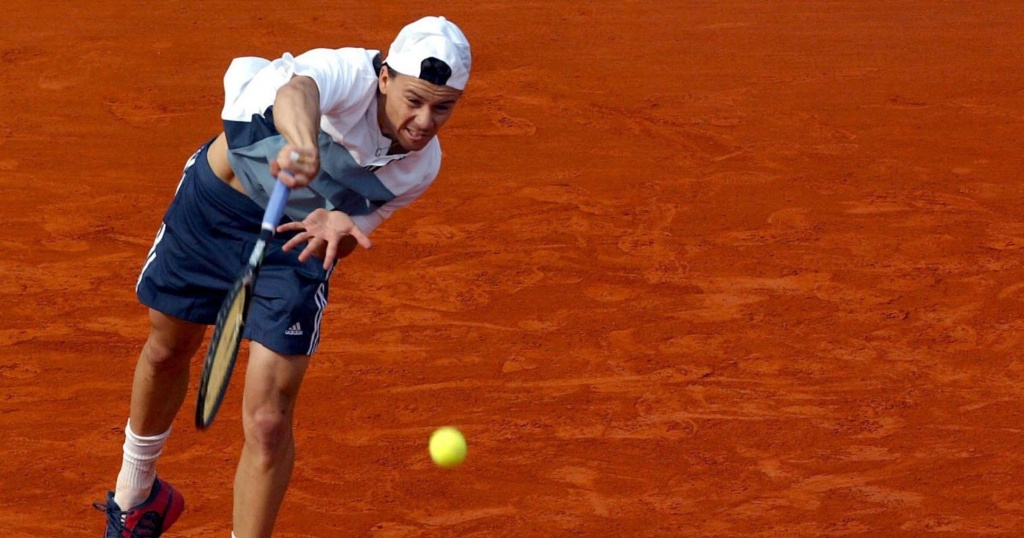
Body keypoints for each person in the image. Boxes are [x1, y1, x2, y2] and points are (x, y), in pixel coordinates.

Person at [94, 16, 471, 538]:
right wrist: (303, 144)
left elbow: (348, 238)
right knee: (166, 349)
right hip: (216, 207)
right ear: (385, 77)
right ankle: (137, 496)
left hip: (294, 243)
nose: (425, 120)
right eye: (414, 99)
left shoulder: (420, 168)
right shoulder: (344, 71)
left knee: (269, 421)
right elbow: (299, 92)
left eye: (443, 107)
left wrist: (337, 224)